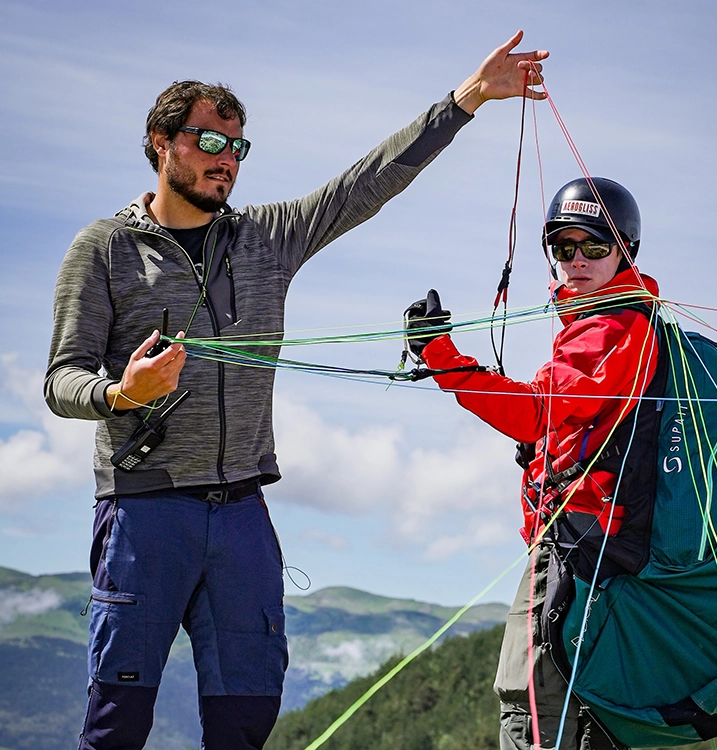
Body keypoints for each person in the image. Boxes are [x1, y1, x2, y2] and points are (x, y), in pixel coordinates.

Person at [44, 33, 548, 750]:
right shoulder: (103, 248)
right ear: (161, 142)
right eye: (210, 140)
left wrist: (467, 99)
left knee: (246, 719)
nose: (227, 159)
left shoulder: (266, 238)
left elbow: (363, 185)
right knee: (116, 720)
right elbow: (62, 378)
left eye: (238, 148)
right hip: (144, 512)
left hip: (243, 513)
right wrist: (120, 394)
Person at [405, 177, 658, 750]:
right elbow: (573, 419)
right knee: (585, 709)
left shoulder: (612, 327)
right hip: (606, 541)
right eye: (564, 247)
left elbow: (536, 413)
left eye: (594, 246)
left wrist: (440, 356)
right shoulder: (615, 324)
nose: (576, 260)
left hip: (578, 543)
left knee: (529, 704)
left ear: (626, 252)